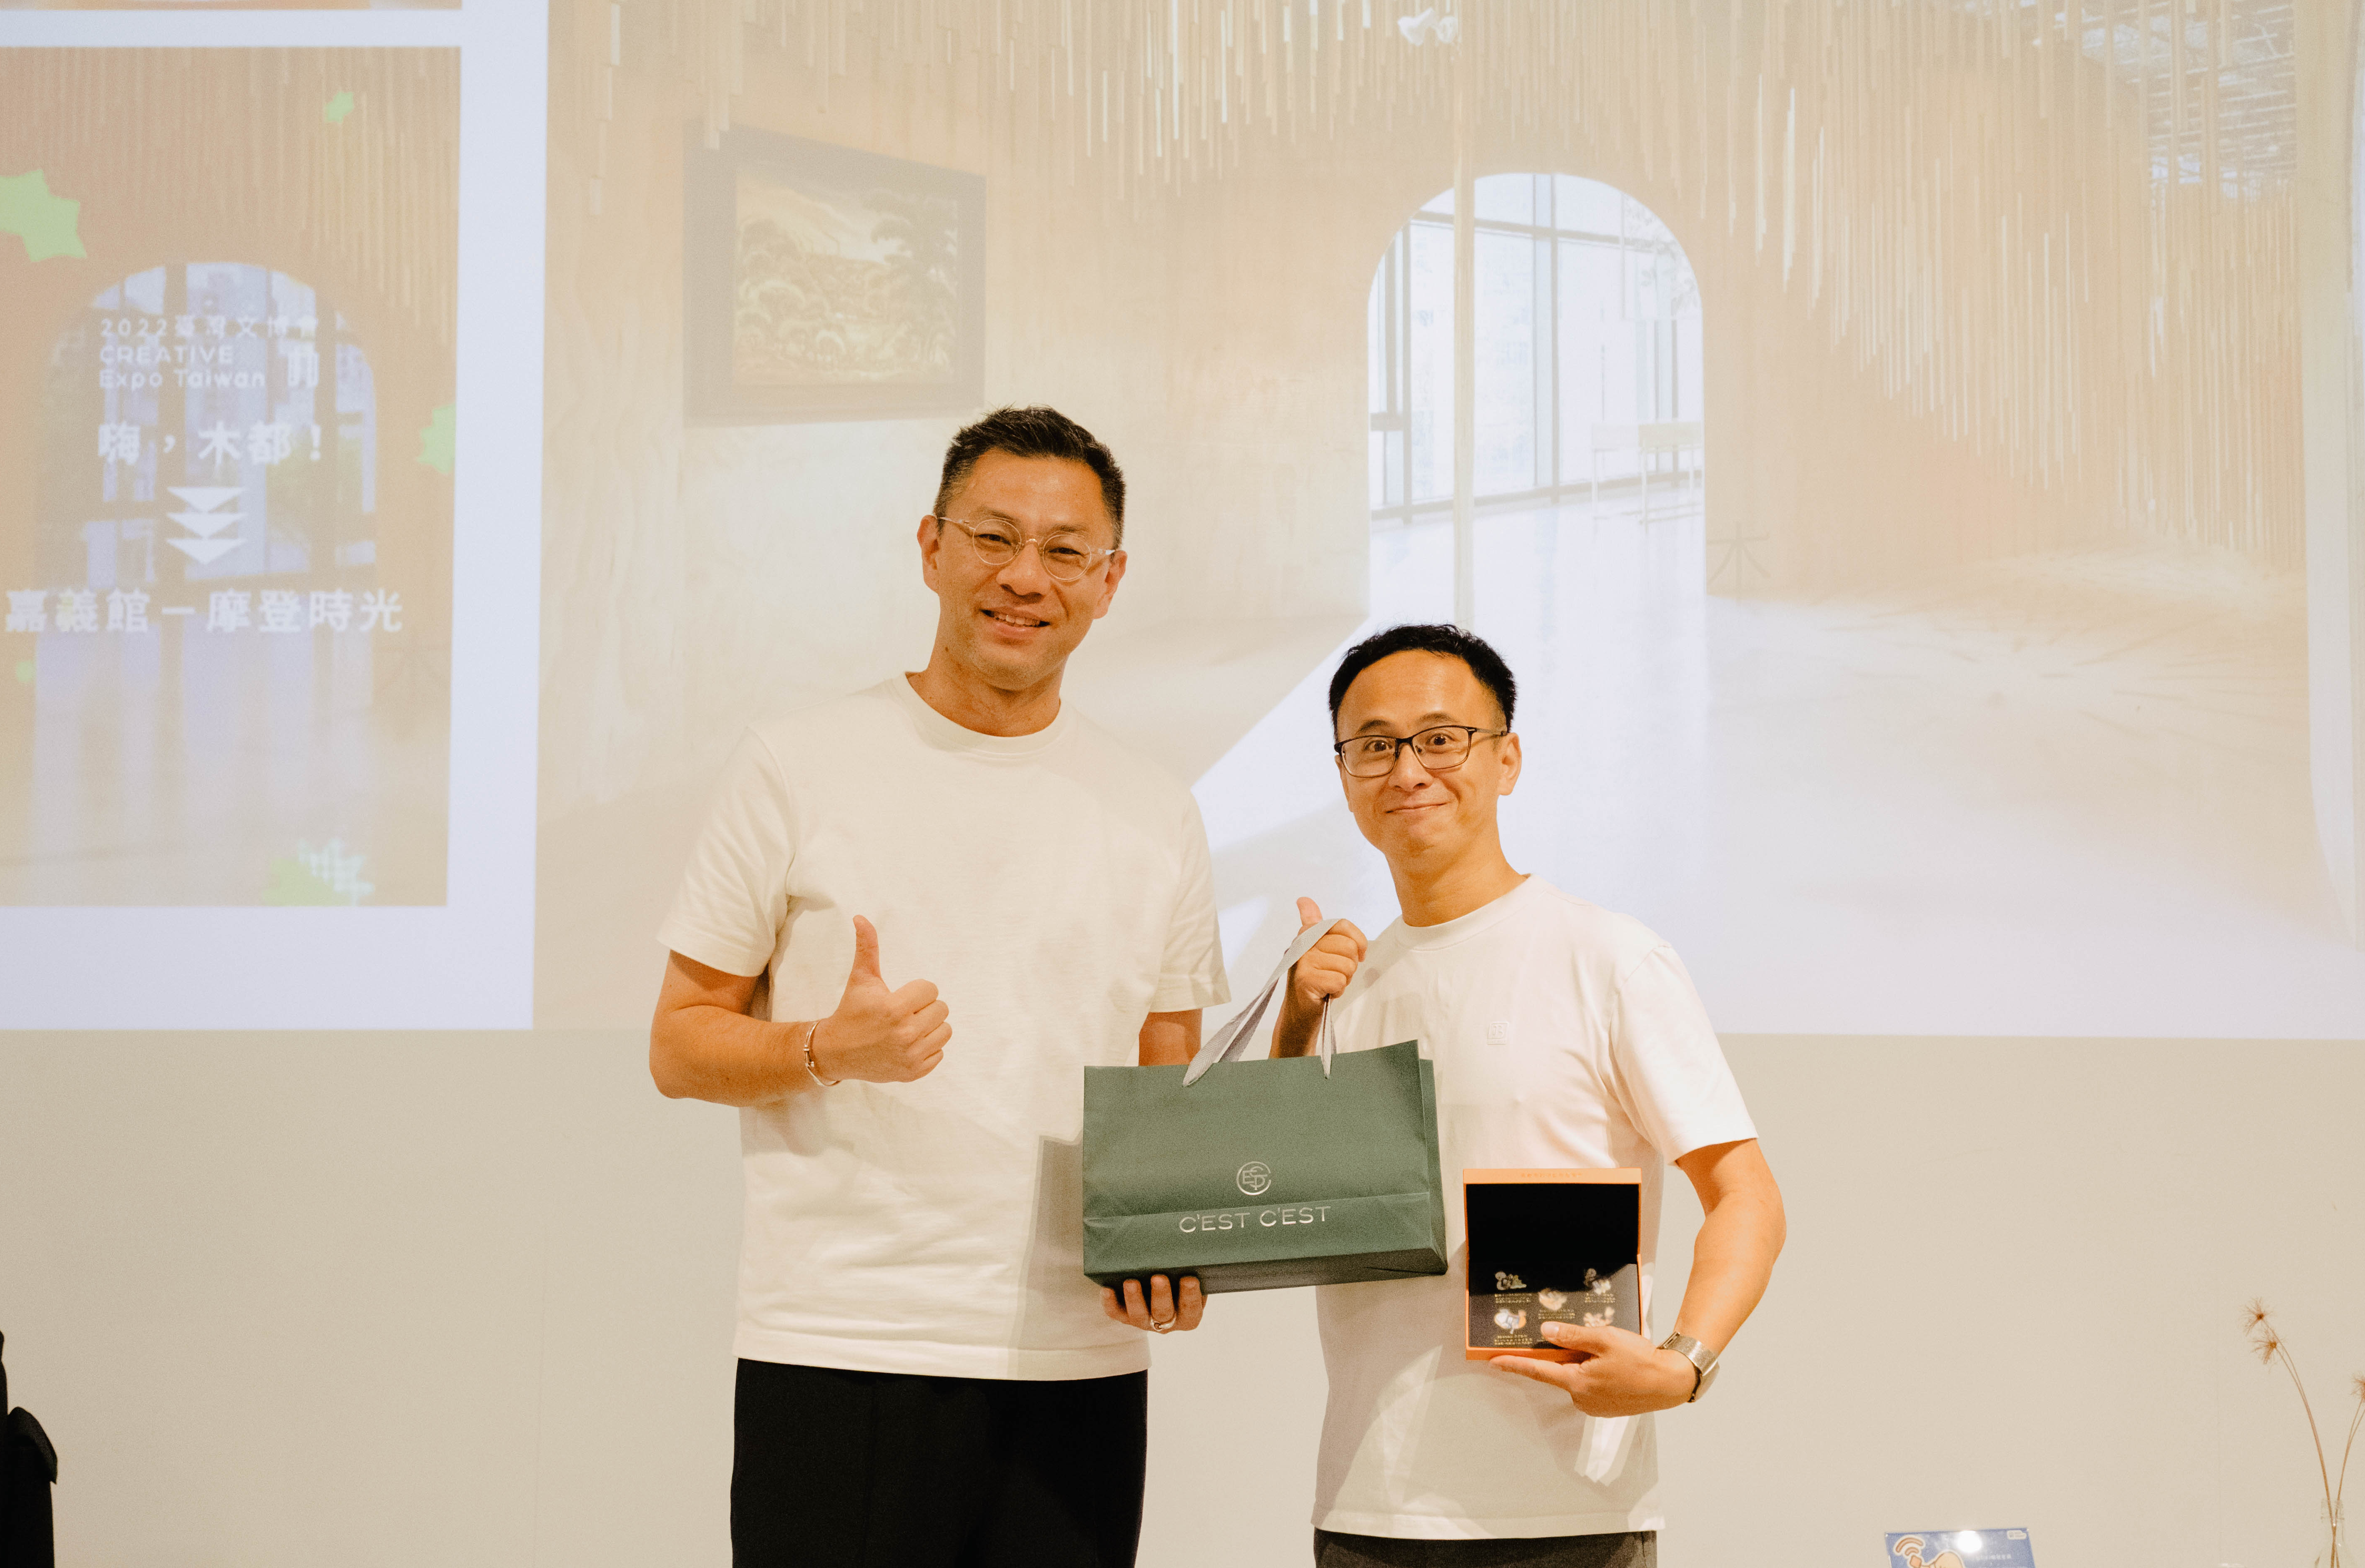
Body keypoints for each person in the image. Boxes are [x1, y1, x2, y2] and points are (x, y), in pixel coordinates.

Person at [648, 406, 1229, 1568]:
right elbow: (680, 1043)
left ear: (1110, 582)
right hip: (845, 1342)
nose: (1026, 577)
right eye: (993, 538)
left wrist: (1177, 1249)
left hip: (1078, 1360)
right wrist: (824, 1049)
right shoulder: (798, 762)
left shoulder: (1154, 806)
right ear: (931, 547)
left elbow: (1163, 1071)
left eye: (1065, 551)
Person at [1274, 622, 1787, 1568]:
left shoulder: (1609, 958)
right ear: (1345, 777)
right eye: (1374, 745)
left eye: (1441, 738)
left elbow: (1746, 1195)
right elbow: (1289, 1210)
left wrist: (1685, 1364)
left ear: (1506, 759)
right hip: (1367, 1508)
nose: (1408, 769)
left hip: (1568, 1512)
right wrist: (1295, 1029)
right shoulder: (1343, 985)